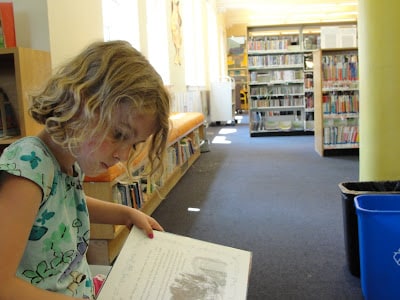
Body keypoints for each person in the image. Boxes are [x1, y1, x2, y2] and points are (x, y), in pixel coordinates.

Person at [0, 40, 170, 299]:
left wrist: (126, 213)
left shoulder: (67, 162)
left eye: (133, 144)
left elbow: (64, 204)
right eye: (119, 134)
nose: (123, 155)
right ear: (81, 103)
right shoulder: (29, 163)